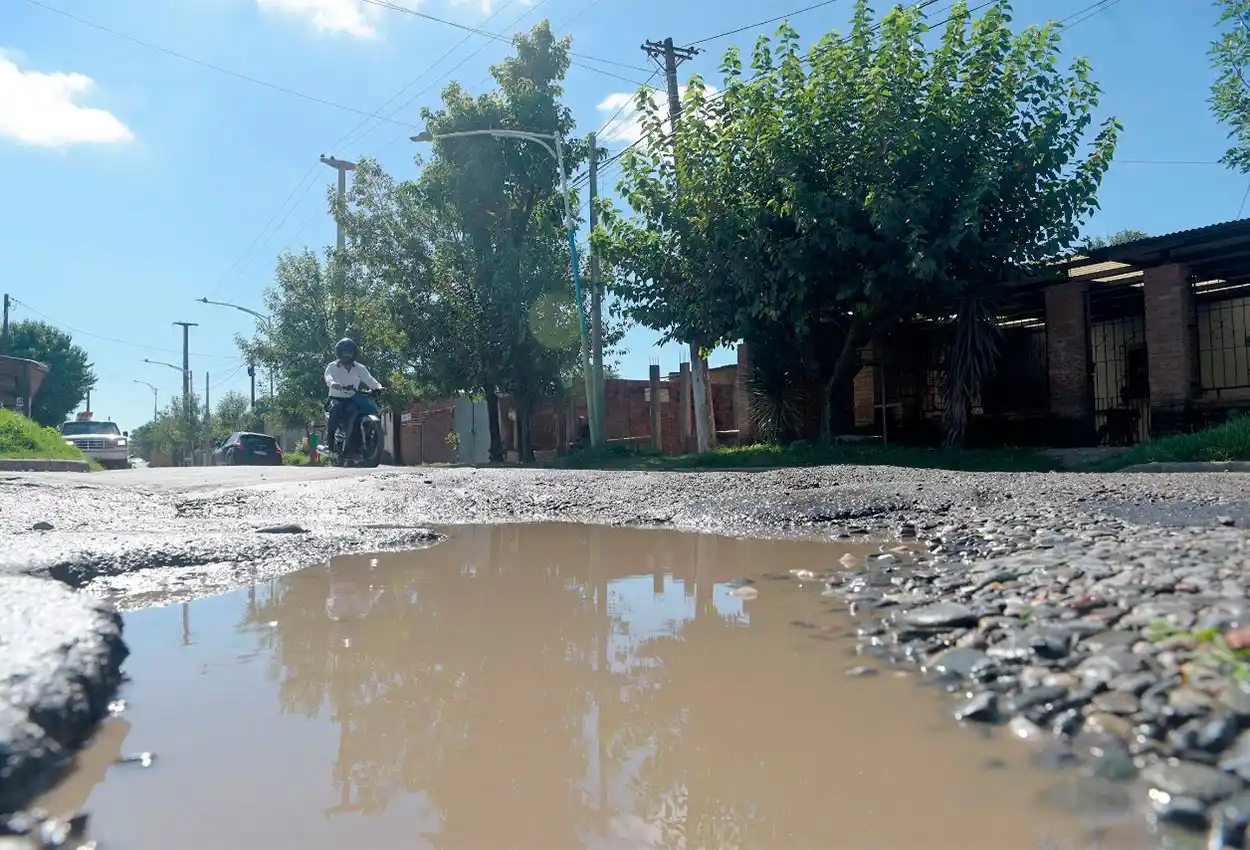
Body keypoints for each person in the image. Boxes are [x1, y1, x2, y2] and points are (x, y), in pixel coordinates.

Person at [324, 338, 383, 456]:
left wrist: (378, 387)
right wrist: (333, 384)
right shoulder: (332, 366)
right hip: (336, 398)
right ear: (339, 352)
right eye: (345, 352)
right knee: (335, 409)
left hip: (351, 399)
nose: (347, 354)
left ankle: (354, 447)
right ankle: (329, 442)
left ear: (354, 353)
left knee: (355, 414)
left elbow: (369, 379)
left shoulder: (359, 368)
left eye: (350, 352)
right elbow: (328, 377)